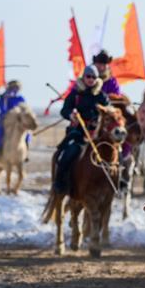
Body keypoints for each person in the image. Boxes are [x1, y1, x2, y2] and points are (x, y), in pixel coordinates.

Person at [54, 65, 110, 194]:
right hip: (78, 133)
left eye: (94, 77)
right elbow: (64, 110)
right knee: (70, 153)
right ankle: (60, 182)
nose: (91, 79)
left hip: (97, 134)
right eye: (88, 76)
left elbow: (109, 111)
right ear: (83, 77)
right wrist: (71, 115)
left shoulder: (102, 96)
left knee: (114, 153)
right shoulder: (75, 94)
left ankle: (118, 181)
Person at [0, 80, 29, 159]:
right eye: (14, 88)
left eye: (17, 88)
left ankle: (26, 150)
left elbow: (24, 108)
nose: (15, 90)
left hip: (18, 120)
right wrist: (5, 99)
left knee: (26, 132)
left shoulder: (20, 98)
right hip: (6, 119)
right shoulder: (3, 97)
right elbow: (2, 109)